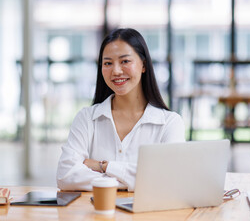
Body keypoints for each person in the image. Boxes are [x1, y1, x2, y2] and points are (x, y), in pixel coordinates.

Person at [56, 28, 185, 191]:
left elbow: (171, 179)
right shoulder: (86, 118)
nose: (116, 71)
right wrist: (138, 180)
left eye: (125, 61)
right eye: (108, 63)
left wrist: (103, 166)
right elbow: (66, 176)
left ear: (143, 65)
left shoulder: (170, 123)